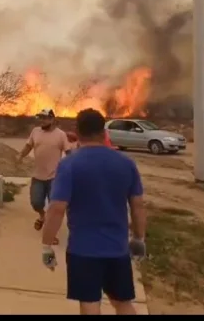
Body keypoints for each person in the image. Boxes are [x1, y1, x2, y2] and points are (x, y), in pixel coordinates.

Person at [40, 108, 147, 315]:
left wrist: (47, 245)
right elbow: (138, 205)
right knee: (122, 302)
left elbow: (56, 209)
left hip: (83, 251)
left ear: (77, 131)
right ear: (104, 131)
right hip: (117, 249)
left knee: (90, 304)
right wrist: (139, 238)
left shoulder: (69, 165)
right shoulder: (126, 163)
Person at [18, 108, 72, 245]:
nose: (41, 120)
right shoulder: (35, 132)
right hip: (38, 176)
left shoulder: (61, 135)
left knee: (53, 207)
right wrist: (20, 156)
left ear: (52, 119)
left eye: (45, 118)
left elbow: (69, 152)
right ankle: (42, 216)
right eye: (40, 118)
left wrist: (72, 167)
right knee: (36, 203)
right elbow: (28, 146)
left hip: (54, 177)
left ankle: (50, 234)